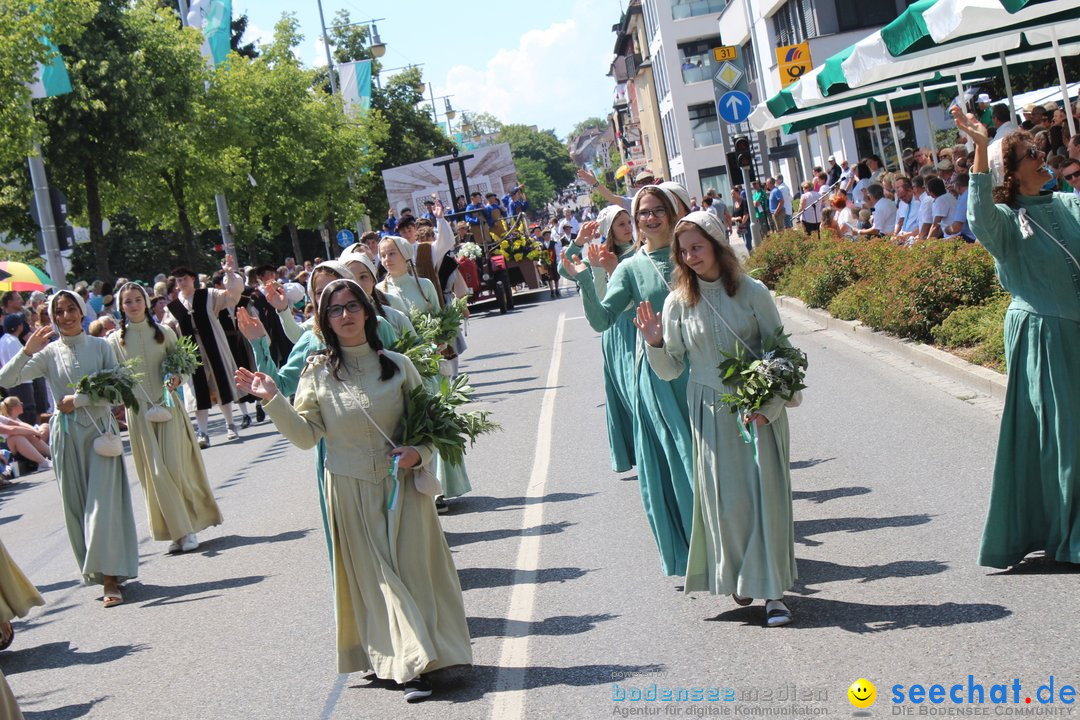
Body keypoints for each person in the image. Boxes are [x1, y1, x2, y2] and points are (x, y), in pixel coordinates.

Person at [236, 280, 472, 701]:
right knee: (380, 578)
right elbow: (307, 437)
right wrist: (273, 399)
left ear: (367, 312)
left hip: (403, 490)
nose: (345, 315)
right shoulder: (316, 372)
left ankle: (433, 652)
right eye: (334, 310)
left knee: (412, 573)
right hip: (349, 491)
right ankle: (411, 665)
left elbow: (434, 428)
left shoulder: (400, 366)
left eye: (352, 306)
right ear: (324, 321)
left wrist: (418, 453)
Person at [636, 210, 799, 627]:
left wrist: (768, 405)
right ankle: (741, 573)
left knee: (765, 497)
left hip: (756, 409)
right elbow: (672, 368)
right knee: (727, 502)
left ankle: (774, 594)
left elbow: (780, 351)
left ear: (717, 245)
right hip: (708, 410)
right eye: (683, 251)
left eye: (697, 247)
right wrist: (655, 343)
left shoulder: (752, 291)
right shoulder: (677, 302)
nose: (691, 256)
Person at [953, 106, 1080, 569]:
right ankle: (1070, 535)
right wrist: (981, 150)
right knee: (1064, 435)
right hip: (1043, 335)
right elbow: (978, 216)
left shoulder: (1068, 203)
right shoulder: (1005, 220)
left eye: (1039, 148)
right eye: (1029, 152)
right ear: (1012, 171)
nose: (1040, 155)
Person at [561, 186, 695, 577]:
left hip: (702, 372)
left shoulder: (693, 254)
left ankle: (736, 548)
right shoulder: (630, 268)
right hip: (657, 379)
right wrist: (587, 279)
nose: (650, 218)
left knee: (715, 461)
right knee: (678, 464)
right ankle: (695, 553)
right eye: (642, 213)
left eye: (657, 210)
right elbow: (603, 320)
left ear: (672, 214)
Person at [0, 291, 138, 606]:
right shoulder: (48, 354)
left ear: (81, 311)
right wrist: (26, 351)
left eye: (71, 309)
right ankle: (101, 571)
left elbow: (120, 389)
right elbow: (6, 380)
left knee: (102, 505)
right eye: (58, 311)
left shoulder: (101, 347)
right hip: (66, 439)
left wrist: (81, 400)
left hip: (101, 434)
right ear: (51, 316)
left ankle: (110, 579)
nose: (66, 316)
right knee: (78, 507)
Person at [110, 282, 223, 554]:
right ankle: (180, 530)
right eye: (128, 302)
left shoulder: (164, 333)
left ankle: (189, 526)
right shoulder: (114, 342)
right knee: (156, 474)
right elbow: (114, 377)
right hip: (138, 414)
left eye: (138, 299)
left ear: (146, 302)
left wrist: (177, 378)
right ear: (121, 307)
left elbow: (185, 366)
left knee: (174, 467)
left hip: (169, 407)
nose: (134, 305)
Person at [559, 207, 638, 473]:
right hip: (613, 331)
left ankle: (648, 448)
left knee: (635, 390)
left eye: (629, 222)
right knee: (622, 392)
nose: (628, 228)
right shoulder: (602, 253)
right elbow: (565, 268)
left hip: (634, 328)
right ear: (609, 231)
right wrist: (579, 241)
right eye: (621, 225)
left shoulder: (638, 251)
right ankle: (633, 451)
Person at [163, 257, 245, 448]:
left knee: (220, 384)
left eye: (184, 279)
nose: (181, 283)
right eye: (178, 280)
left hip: (213, 345)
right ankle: (203, 432)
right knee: (198, 390)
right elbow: (167, 330)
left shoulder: (209, 295)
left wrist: (230, 274)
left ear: (192, 279)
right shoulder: (174, 307)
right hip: (191, 353)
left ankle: (230, 424)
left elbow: (233, 295)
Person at [0, 314, 38, 424]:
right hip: (22, 382)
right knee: (27, 411)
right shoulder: (13, 341)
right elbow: (21, 362)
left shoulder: (2, 340)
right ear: (19, 326)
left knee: (16, 412)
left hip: (9, 382)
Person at [0, 396, 51, 471]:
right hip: (7, 453)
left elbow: (18, 424)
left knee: (30, 434)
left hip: (19, 447)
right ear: (14, 407)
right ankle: (43, 463)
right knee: (16, 438)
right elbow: (12, 429)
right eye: (20, 403)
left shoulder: (3, 418)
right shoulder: (6, 417)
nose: (22, 404)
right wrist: (34, 432)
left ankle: (53, 455)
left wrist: (34, 431)